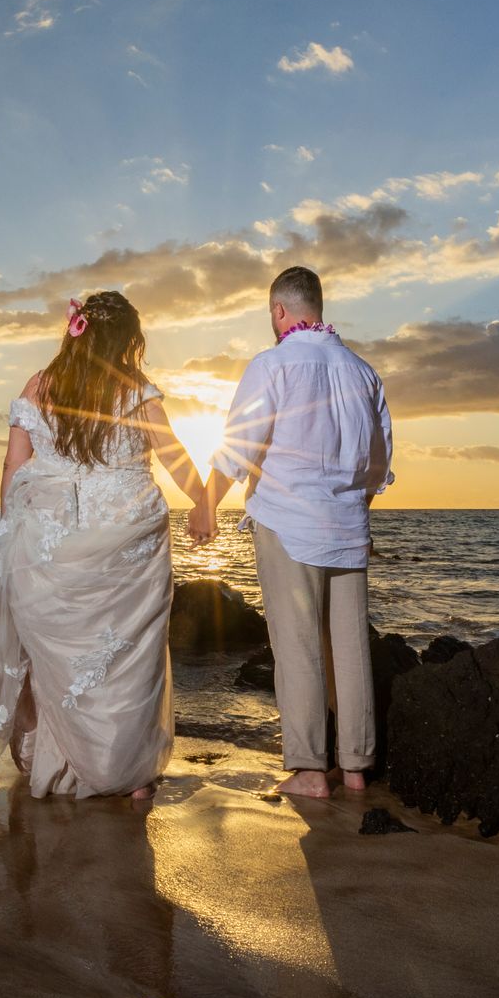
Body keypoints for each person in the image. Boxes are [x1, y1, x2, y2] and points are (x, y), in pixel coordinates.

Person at [0, 290, 211, 800]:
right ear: (125, 339)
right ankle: (127, 774)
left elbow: (13, 465)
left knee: (55, 659)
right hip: (127, 537)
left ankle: (57, 765)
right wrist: (203, 500)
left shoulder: (39, 386)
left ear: (76, 329)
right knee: (126, 662)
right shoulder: (136, 390)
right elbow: (173, 454)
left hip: (48, 537)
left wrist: (10, 532)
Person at [195, 266, 394, 799]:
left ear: (281, 311)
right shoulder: (364, 373)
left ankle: (309, 768)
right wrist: (353, 508)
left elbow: (240, 445)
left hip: (289, 524)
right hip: (349, 528)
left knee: (299, 645)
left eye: (270, 314)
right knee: (350, 650)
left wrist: (206, 504)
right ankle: (355, 767)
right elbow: (378, 465)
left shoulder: (272, 365)